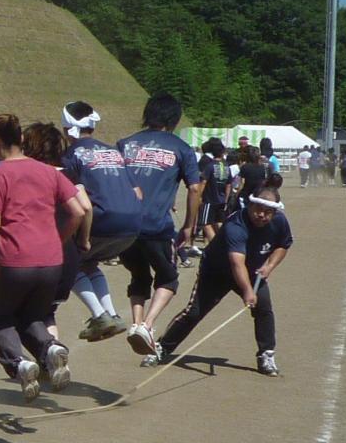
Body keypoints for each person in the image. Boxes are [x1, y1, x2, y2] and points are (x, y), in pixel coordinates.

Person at [0, 114, 85, 401]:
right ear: (20, 139)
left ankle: (20, 363)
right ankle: (50, 348)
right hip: (51, 259)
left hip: (16, 260)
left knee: (1, 318)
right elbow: (79, 211)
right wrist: (59, 238)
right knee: (33, 316)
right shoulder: (49, 172)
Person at [156, 179, 291, 376]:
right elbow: (237, 263)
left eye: (267, 212)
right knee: (194, 312)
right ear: (251, 204)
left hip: (253, 271)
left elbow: (283, 244)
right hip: (217, 271)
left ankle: (266, 354)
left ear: (274, 212)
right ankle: (162, 347)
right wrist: (246, 291)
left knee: (264, 309)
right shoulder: (235, 225)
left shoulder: (279, 221)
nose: (261, 215)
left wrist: (269, 266)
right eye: (258, 209)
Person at [116, 93, 202, 366]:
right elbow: (195, 188)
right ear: (174, 119)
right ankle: (149, 324)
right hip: (157, 225)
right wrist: (190, 225)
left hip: (124, 226)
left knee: (138, 275)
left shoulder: (125, 144)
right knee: (168, 277)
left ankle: (136, 323)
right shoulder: (181, 149)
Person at [59, 101, 141, 342]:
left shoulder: (71, 155)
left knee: (67, 262)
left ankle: (99, 315)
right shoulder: (114, 152)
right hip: (132, 225)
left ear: (66, 127)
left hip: (102, 221)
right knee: (90, 264)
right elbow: (138, 193)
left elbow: (73, 198)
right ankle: (112, 314)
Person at [22, 121, 93, 341]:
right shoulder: (69, 173)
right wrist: (84, 239)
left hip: (38, 254)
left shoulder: (28, 173)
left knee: (21, 314)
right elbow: (86, 206)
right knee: (47, 312)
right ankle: (54, 357)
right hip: (67, 254)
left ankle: (45, 355)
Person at [196, 138, 232, 243]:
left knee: (205, 223)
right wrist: (226, 198)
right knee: (219, 222)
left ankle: (215, 245)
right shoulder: (226, 166)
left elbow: (203, 182)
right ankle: (225, 241)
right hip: (221, 200)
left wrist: (199, 196)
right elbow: (228, 185)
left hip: (209, 200)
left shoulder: (210, 166)